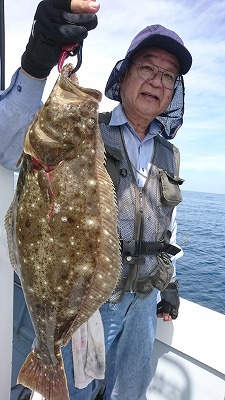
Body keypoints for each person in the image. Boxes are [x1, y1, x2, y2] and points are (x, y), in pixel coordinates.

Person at [0, 0, 192, 399]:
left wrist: (169, 284)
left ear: (174, 91)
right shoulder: (88, 131)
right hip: (89, 305)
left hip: (142, 305)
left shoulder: (169, 154)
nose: (157, 81)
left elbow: (168, 226)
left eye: (168, 76)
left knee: (128, 393)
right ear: (123, 77)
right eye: (147, 68)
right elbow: (7, 146)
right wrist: (36, 67)